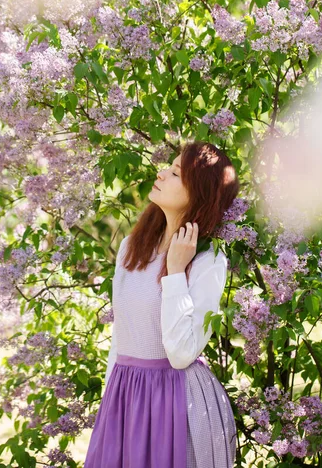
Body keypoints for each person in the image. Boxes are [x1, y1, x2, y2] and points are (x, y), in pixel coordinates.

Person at [84, 140, 239, 468]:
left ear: (197, 192)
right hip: (125, 395)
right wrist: (109, 403)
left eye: (174, 173)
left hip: (173, 401)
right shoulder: (131, 247)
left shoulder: (208, 260)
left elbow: (181, 354)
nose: (161, 174)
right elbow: (121, 334)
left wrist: (176, 272)